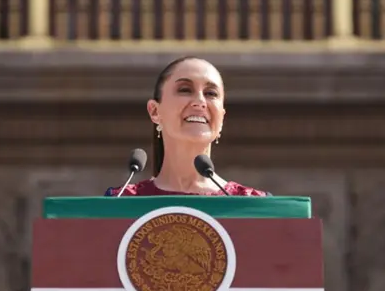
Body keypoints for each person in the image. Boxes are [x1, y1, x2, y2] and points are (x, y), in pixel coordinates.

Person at [105, 56, 270, 197]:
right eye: (185, 90)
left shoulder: (252, 204)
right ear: (155, 111)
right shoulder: (122, 201)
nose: (200, 102)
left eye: (211, 93)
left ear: (221, 118)